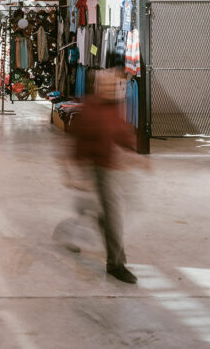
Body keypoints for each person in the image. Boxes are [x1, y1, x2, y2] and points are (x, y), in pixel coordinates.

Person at [71, 68, 139, 285]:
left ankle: (69, 233)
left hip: (110, 166)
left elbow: (118, 131)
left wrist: (131, 151)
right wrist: (78, 175)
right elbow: (78, 144)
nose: (113, 89)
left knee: (100, 213)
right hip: (97, 168)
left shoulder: (113, 107)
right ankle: (116, 264)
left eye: (115, 86)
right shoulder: (89, 110)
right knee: (111, 215)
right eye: (108, 86)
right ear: (99, 87)